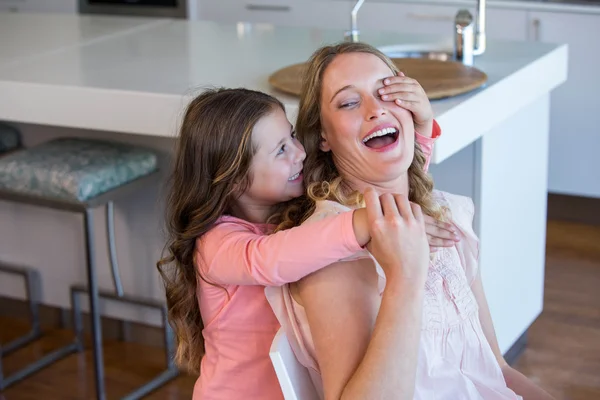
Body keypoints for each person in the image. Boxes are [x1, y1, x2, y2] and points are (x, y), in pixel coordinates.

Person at [266, 42, 555, 400]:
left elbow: (497, 370)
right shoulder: (333, 250)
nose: (375, 111)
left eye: (388, 93)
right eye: (349, 102)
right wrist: (405, 277)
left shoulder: (444, 214)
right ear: (323, 136)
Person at [156, 84, 455, 399]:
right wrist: (366, 221)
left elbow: (383, 180)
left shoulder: (295, 209)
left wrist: (421, 130)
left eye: (293, 136)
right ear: (233, 178)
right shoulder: (215, 246)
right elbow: (268, 260)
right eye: (281, 149)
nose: (300, 153)